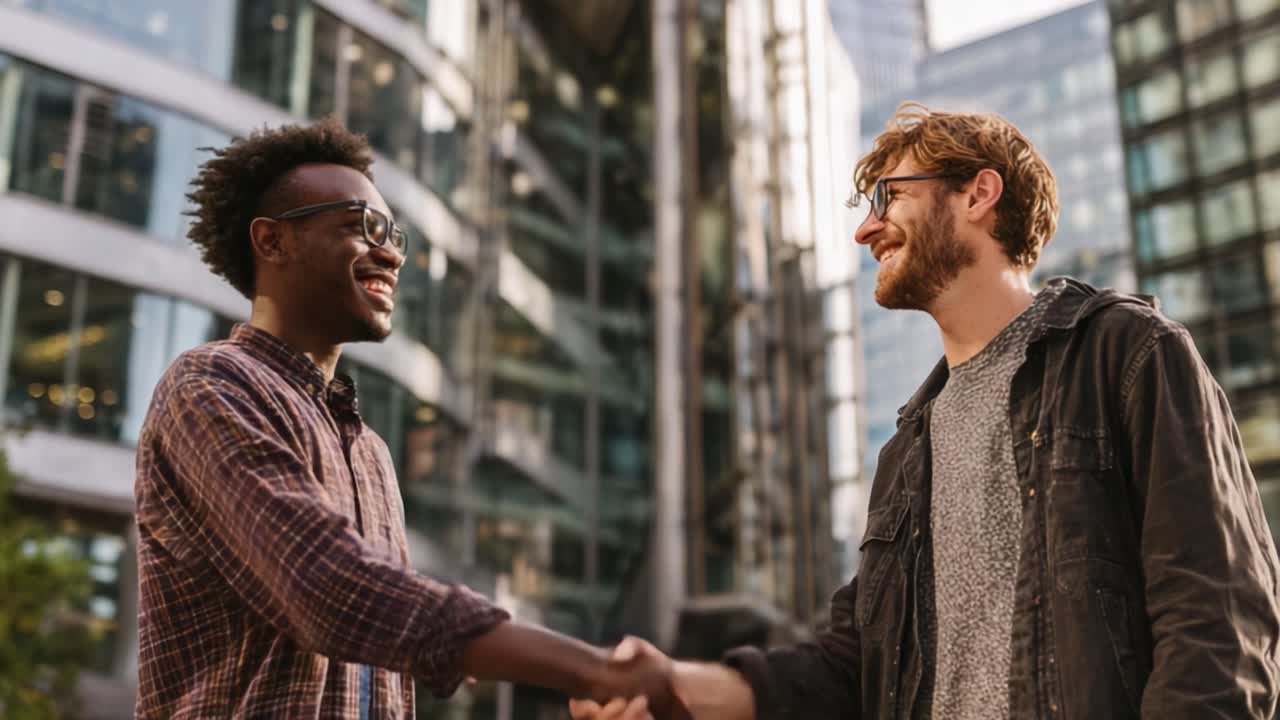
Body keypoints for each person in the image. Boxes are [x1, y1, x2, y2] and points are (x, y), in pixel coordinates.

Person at [568, 103, 1280, 719]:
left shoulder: (1125, 354)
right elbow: (849, 669)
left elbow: (1217, 622)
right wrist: (673, 687)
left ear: (977, 194)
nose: (866, 230)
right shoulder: (906, 452)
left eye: (889, 195)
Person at [133, 118, 689, 719]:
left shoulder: (369, 450)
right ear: (272, 242)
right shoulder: (211, 386)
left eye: (393, 232)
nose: (391, 252)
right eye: (360, 226)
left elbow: (380, 668)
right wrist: (593, 669)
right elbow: (328, 588)